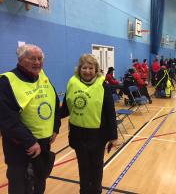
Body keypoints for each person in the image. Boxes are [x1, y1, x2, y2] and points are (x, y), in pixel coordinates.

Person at [0, 44, 61, 194]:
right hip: (20, 147)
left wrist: (55, 127)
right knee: (20, 185)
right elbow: (7, 119)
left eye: (40, 59)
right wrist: (30, 141)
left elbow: (53, 102)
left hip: (43, 144)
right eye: (32, 58)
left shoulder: (42, 76)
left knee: (39, 182)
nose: (37, 62)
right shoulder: (7, 82)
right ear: (21, 60)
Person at [60, 54, 118, 194]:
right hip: (78, 135)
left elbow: (110, 112)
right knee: (83, 167)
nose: (87, 71)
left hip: (98, 136)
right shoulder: (72, 83)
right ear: (79, 69)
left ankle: (96, 191)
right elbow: (66, 109)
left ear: (96, 69)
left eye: (91, 68)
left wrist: (113, 136)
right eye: (84, 67)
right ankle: (84, 191)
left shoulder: (103, 85)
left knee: (97, 167)